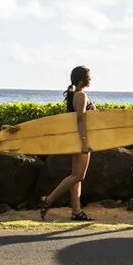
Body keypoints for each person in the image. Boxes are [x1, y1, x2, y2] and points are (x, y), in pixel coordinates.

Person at [38, 65, 94, 221]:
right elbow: (80, 118)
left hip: (76, 139)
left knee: (75, 176)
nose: (91, 78)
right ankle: (48, 200)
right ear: (84, 78)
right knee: (79, 176)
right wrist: (84, 142)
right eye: (89, 76)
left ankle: (76, 211)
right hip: (81, 139)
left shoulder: (75, 95)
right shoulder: (81, 95)